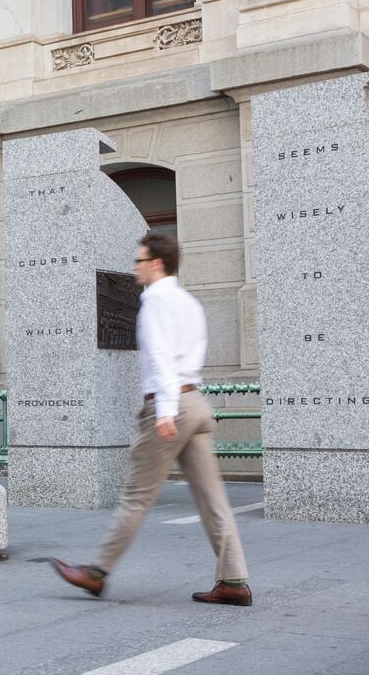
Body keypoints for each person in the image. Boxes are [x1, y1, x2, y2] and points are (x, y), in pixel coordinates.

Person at [51, 233, 252, 606]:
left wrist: (163, 410)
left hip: (170, 404)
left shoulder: (157, 301)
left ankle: (96, 574)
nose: (135, 267)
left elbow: (161, 357)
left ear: (156, 264)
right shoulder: (189, 302)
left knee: (135, 497)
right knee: (213, 501)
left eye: (139, 261)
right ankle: (234, 581)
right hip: (195, 403)